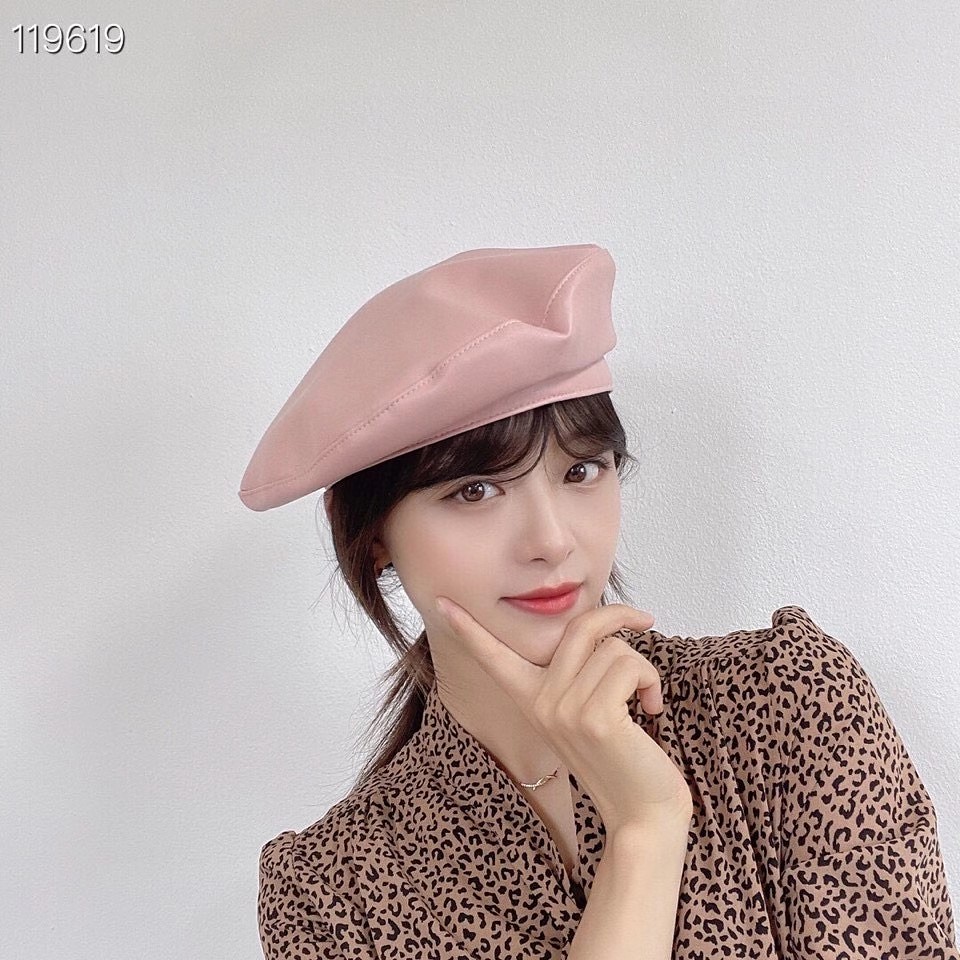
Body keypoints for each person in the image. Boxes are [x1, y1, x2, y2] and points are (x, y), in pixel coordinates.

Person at [240, 244, 958, 959]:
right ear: (373, 538)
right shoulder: (334, 895)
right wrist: (647, 830)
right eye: (475, 491)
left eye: (580, 470)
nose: (552, 541)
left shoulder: (786, 705)